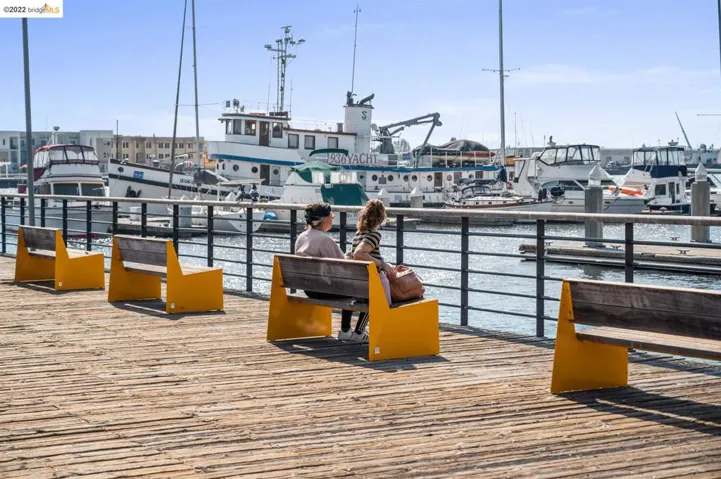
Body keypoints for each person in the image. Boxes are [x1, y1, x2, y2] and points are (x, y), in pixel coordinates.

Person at [295, 203, 369, 342]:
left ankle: (346, 331)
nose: (333, 219)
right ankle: (357, 332)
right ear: (325, 220)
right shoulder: (324, 240)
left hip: (309, 289)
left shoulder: (302, 237)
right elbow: (343, 266)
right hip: (325, 290)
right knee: (367, 291)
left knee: (349, 287)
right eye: (332, 216)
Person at [348, 199, 395, 328]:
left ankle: (350, 331)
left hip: (356, 282)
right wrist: (383, 264)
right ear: (381, 217)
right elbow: (358, 254)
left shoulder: (358, 234)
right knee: (385, 303)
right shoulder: (374, 235)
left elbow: (354, 254)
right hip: (370, 282)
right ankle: (362, 331)